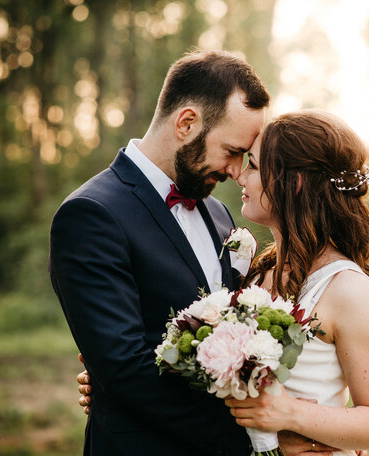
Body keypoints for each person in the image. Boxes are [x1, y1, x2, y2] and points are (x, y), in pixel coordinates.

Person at [78, 109, 369, 454]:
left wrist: (291, 415)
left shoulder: (348, 289)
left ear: (294, 183)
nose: (239, 175)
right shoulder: (255, 272)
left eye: (254, 165)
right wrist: (112, 383)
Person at [50, 49, 274, 455]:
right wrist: (255, 435)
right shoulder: (91, 215)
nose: (236, 171)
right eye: (232, 151)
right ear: (187, 123)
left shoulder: (218, 212)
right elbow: (124, 368)